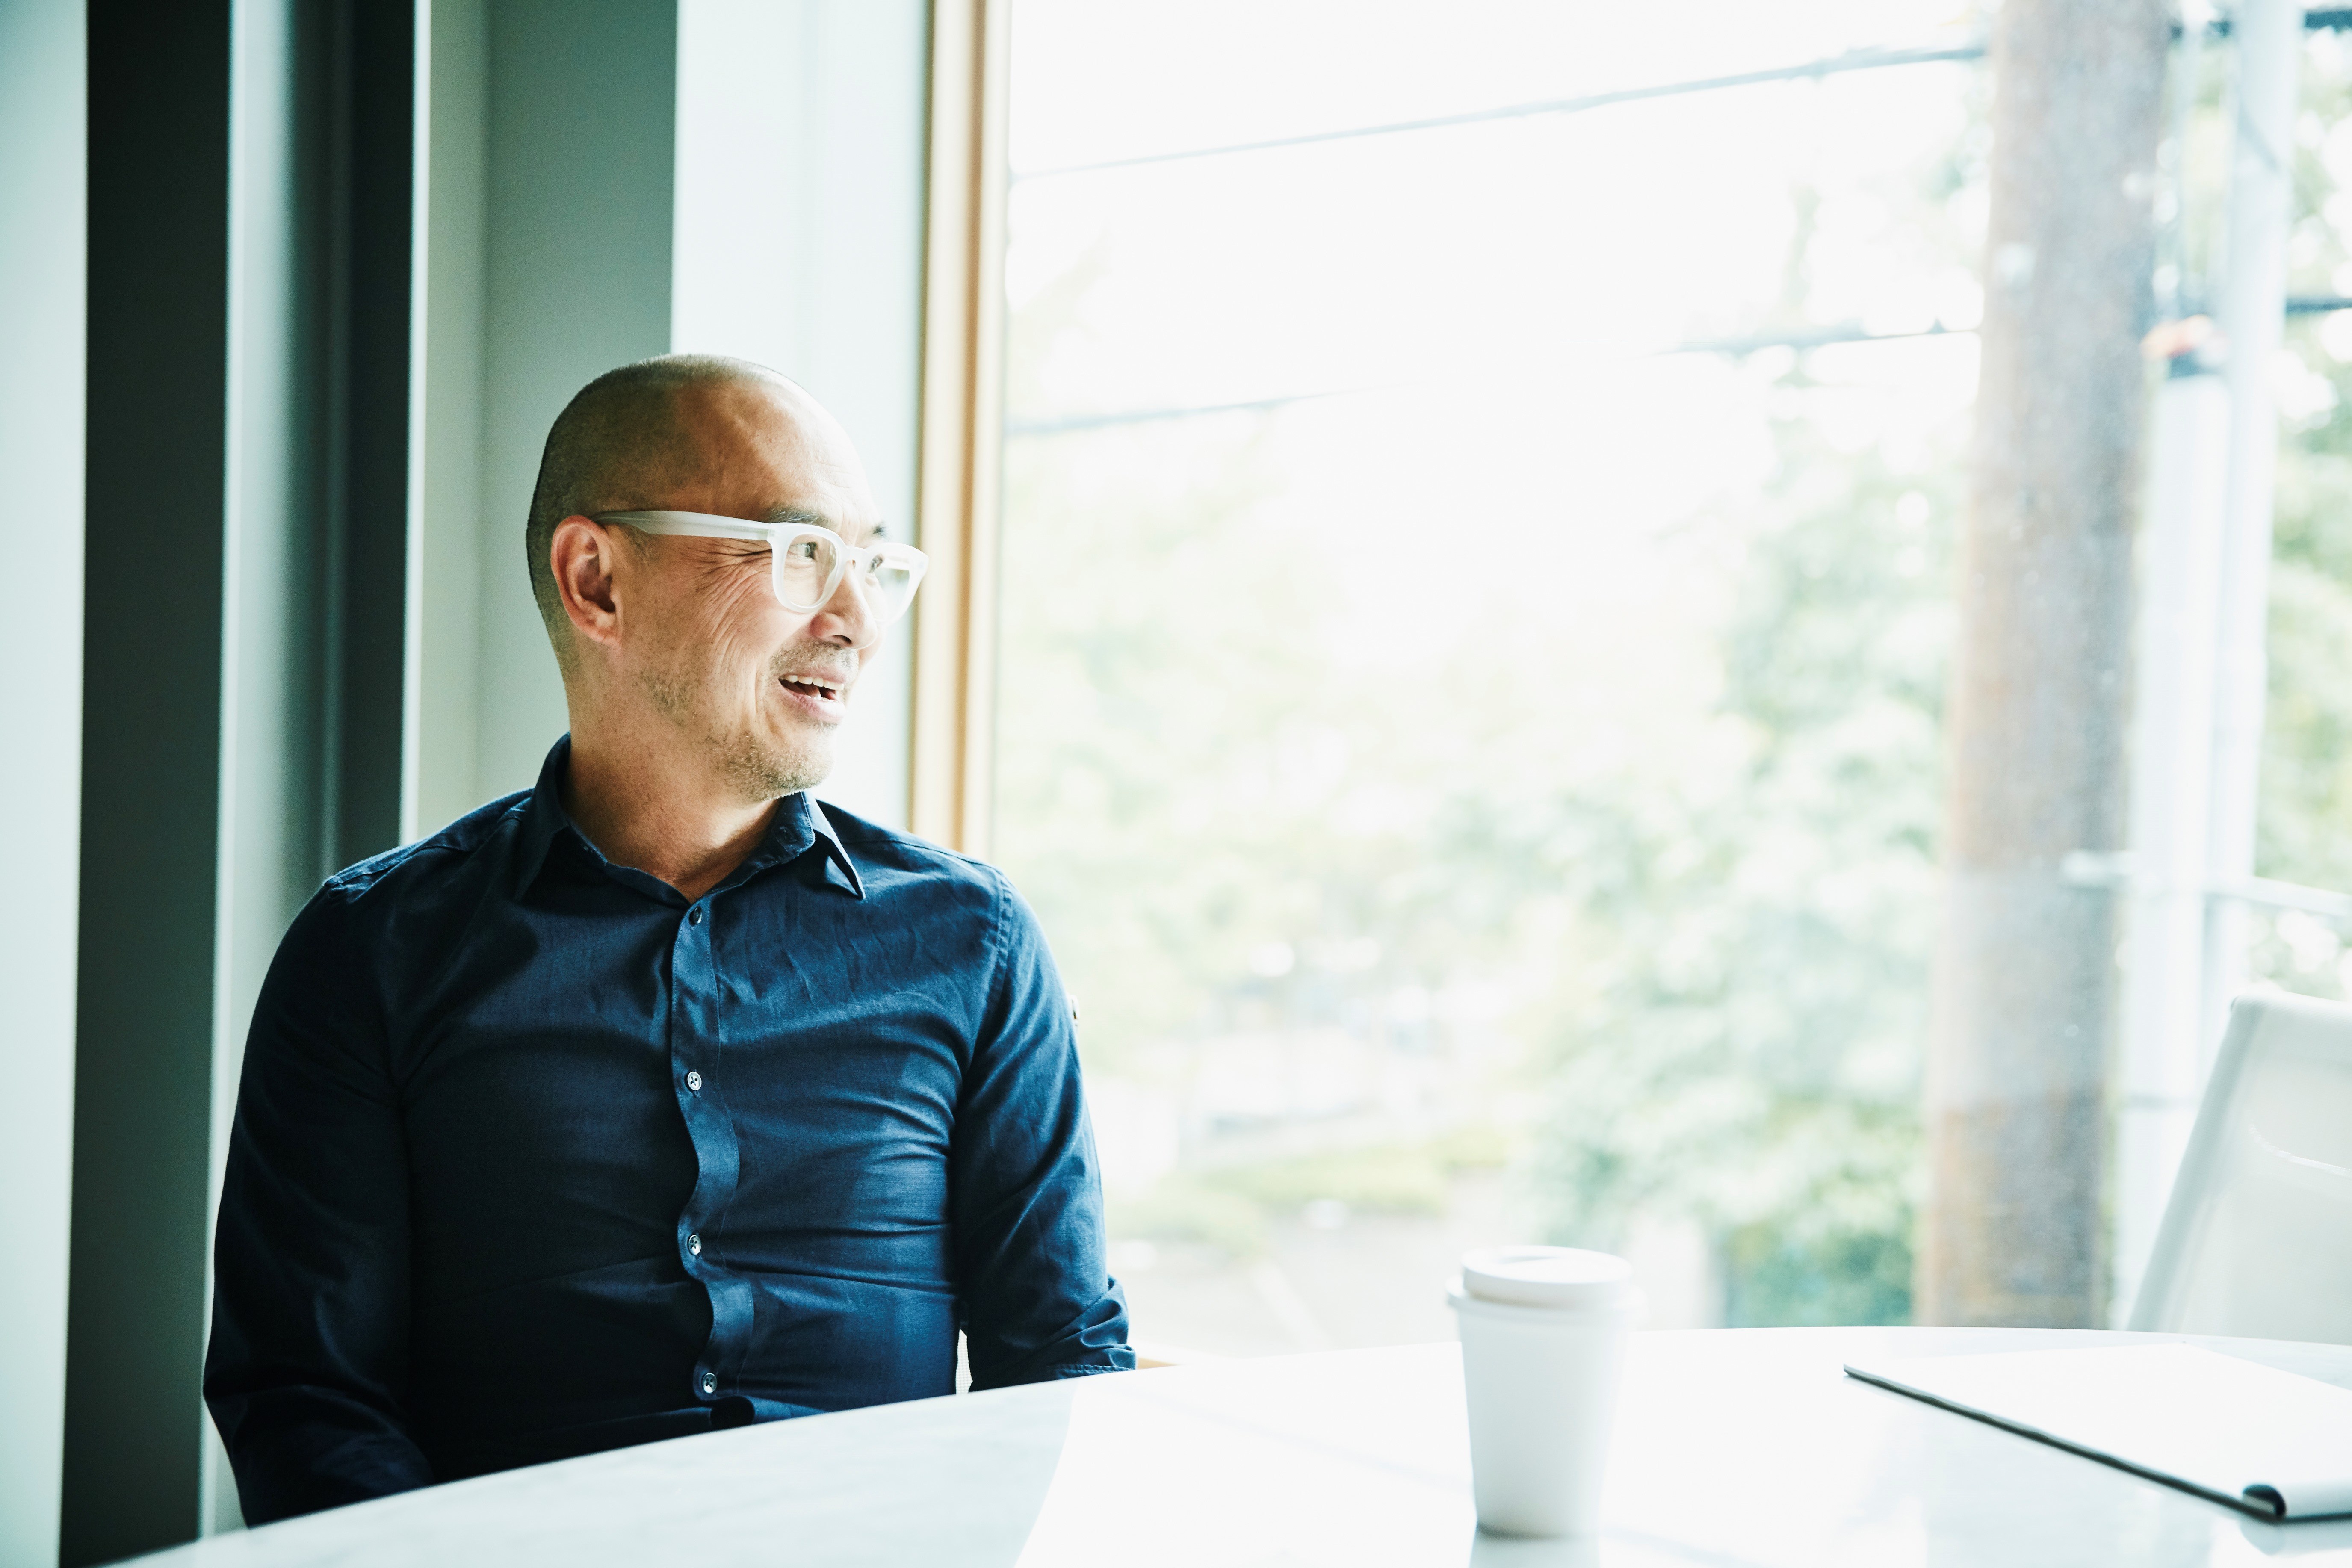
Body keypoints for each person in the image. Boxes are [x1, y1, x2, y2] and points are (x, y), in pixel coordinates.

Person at [203, 355, 1131, 1524]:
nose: (852, 622)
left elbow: (1061, 1352)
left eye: (873, 566)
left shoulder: (974, 944)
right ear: (596, 579)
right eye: (799, 555)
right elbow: (307, 1397)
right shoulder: (371, 952)